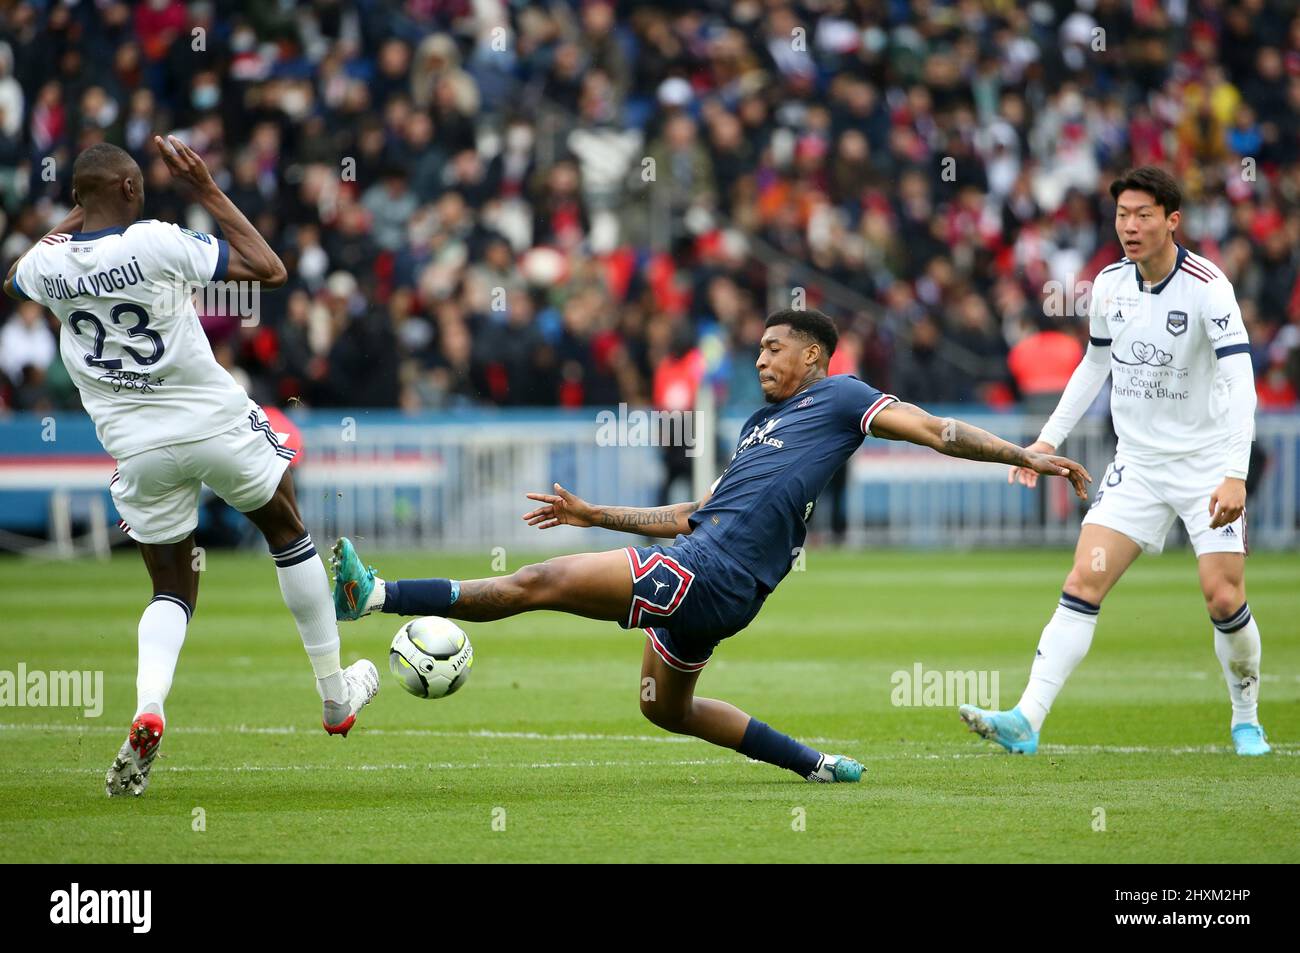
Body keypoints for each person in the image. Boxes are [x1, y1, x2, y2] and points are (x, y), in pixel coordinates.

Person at [332, 308, 1091, 782]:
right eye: (757, 350)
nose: (759, 360)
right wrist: (599, 511)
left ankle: (376, 595)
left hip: (714, 573)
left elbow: (939, 431)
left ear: (813, 358)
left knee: (541, 581)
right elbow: (697, 511)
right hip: (714, 570)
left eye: (772, 349)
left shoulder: (844, 396)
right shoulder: (756, 428)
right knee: (664, 708)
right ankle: (816, 764)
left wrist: (1022, 454)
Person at [3, 139, 379, 797]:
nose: (145, 189)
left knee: (171, 589)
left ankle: (150, 705)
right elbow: (269, 268)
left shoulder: (46, 267)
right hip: (212, 420)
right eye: (136, 183)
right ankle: (333, 695)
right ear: (125, 190)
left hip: (137, 446)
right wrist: (206, 186)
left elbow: (14, 274)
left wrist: (76, 216)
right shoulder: (154, 241)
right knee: (286, 528)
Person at [961, 166, 1268, 756]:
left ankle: (1246, 718)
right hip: (1140, 466)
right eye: (1122, 214)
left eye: (1142, 215)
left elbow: (1241, 381)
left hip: (1207, 464)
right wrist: (1046, 441)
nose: (1129, 225)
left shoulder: (1209, 287)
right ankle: (1027, 719)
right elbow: (1092, 368)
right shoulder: (1107, 285)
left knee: (1223, 597)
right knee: (1083, 580)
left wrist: (1236, 473)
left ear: (1171, 220)